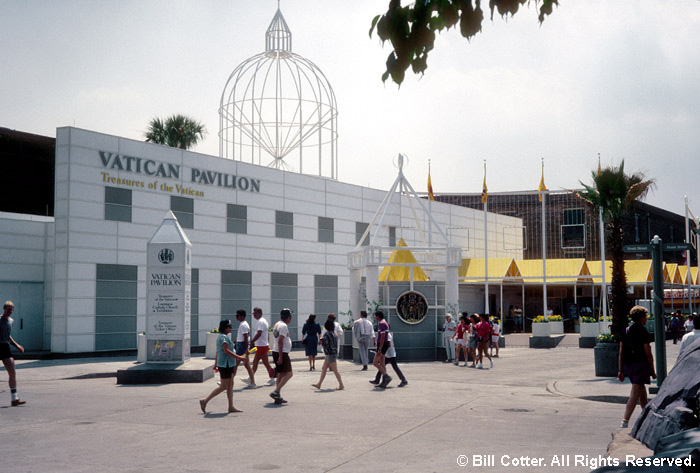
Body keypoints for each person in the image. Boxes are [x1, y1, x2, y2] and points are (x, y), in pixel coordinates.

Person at [618, 305, 657, 428]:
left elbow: (621, 352)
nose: (646, 319)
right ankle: (625, 421)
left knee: (642, 394)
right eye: (645, 316)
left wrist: (620, 370)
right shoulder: (643, 331)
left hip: (629, 366)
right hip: (641, 365)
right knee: (635, 393)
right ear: (641, 318)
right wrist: (653, 370)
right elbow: (648, 353)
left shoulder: (626, 331)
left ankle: (646, 419)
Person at [200, 319, 247, 414]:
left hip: (229, 364)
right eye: (229, 327)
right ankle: (205, 400)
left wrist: (215, 363)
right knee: (224, 386)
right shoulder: (223, 338)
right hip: (225, 364)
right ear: (225, 328)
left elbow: (218, 351)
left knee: (230, 385)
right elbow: (226, 351)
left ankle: (231, 406)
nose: (231, 328)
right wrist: (239, 357)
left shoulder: (225, 337)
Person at [242, 307, 276, 387]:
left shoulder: (261, 322)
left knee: (265, 363)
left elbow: (259, 333)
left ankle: (272, 378)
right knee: (256, 362)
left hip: (261, 345)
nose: (254, 315)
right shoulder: (263, 321)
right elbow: (266, 333)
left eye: (255, 313)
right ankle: (251, 378)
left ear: (260, 313)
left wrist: (252, 341)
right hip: (261, 345)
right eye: (253, 313)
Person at [1, 301, 25, 406]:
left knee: (12, 372)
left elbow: (8, 336)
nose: (10, 311)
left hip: (5, 347)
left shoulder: (11, 321)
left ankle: (14, 399)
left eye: (11, 310)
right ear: (3, 308)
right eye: (8, 309)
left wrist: (17, 346)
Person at [312, 319, 345, 390]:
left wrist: (321, 341)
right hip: (332, 353)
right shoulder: (334, 333)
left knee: (335, 370)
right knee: (324, 368)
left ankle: (341, 385)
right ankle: (319, 384)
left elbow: (326, 343)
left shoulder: (327, 334)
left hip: (330, 353)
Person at [269, 308, 294, 404]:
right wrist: (280, 356)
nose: (291, 318)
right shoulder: (283, 326)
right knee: (289, 374)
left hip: (277, 351)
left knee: (281, 374)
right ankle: (276, 391)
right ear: (287, 317)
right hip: (281, 352)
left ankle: (277, 396)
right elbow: (280, 341)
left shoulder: (277, 324)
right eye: (290, 316)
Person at [233, 309, 256, 387]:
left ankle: (228, 382)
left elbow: (246, 337)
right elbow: (242, 336)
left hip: (242, 347)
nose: (236, 317)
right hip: (241, 345)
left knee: (235, 365)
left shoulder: (243, 325)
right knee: (246, 365)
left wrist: (246, 349)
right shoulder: (243, 324)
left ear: (242, 316)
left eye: (237, 315)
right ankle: (252, 382)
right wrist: (235, 341)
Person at [372, 310, 392, 388]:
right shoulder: (385, 323)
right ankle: (384, 381)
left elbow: (383, 337)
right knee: (382, 363)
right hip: (384, 345)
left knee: (375, 363)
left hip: (382, 345)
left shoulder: (381, 324)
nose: (375, 317)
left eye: (375, 316)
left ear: (378, 316)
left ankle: (386, 376)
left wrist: (380, 348)